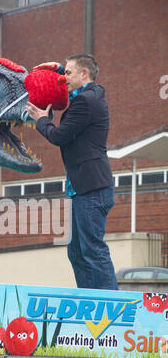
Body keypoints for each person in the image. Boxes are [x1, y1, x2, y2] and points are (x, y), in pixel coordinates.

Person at [25, 54, 118, 290]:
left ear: (84, 74)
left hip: (91, 189)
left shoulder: (86, 101)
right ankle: (88, 299)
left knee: (92, 250)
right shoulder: (87, 96)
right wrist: (57, 70)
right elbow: (66, 92)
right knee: (76, 251)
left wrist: (42, 120)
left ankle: (111, 303)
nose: (63, 78)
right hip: (80, 189)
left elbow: (59, 136)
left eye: (68, 73)